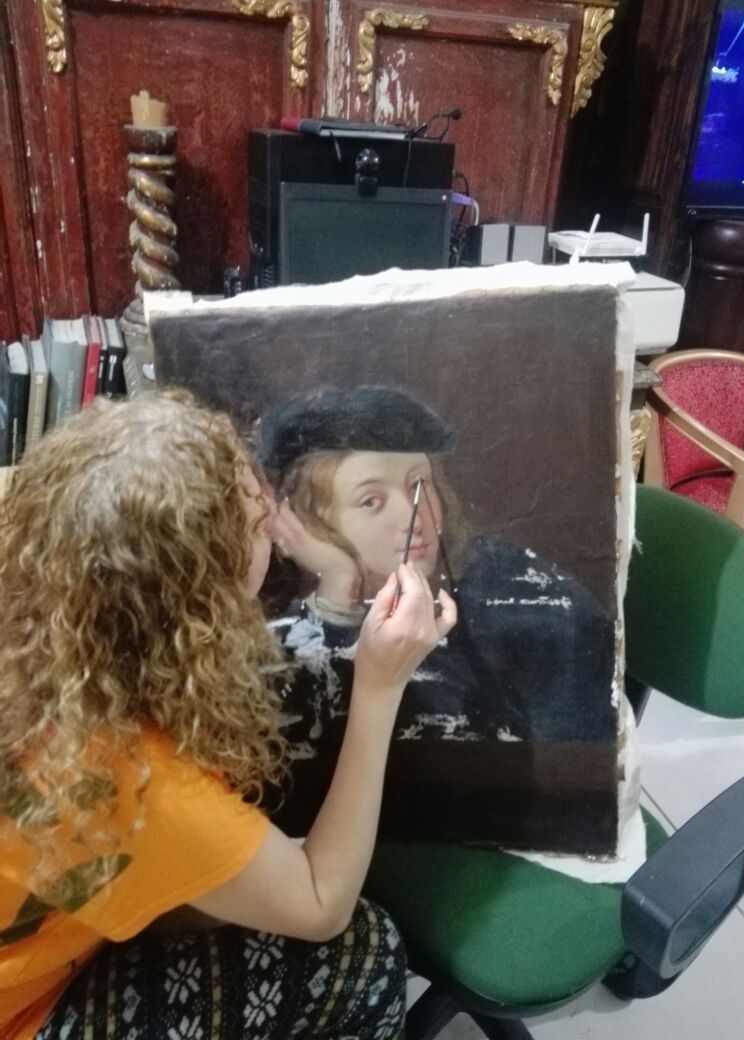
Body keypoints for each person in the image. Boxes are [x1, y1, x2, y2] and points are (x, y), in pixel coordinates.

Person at [0, 392, 456, 1040]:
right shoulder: (134, 783)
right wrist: (378, 686)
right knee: (366, 954)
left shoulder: (38, 598)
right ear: (200, 609)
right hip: (20, 1015)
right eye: (258, 523)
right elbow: (322, 904)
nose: (274, 511)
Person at [256, 386, 617, 852]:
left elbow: (560, 785)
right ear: (304, 523)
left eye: (418, 485)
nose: (415, 516)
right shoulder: (273, 624)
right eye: (371, 501)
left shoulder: (523, 597)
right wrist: (339, 599)